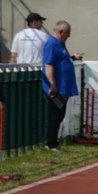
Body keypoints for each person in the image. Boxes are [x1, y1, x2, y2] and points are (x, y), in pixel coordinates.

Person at [41, 20, 80, 151]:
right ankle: (51, 143)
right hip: (57, 87)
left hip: (64, 86)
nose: (68, 37)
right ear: (61, 32)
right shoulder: (52, 44)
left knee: (59, 114)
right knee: (55, 115)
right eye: (67, 34)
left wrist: (73, 58)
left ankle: (53, 142)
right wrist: (53, 84)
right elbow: (48, 65)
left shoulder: (60, 44)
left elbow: (63, 60)